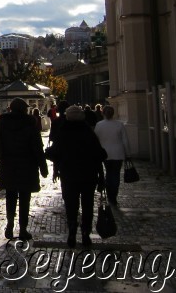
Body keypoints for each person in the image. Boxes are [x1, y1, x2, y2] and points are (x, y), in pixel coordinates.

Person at [46, 105, 107, 248]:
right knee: (87, 204)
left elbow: (54, 153)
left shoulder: (63, 132)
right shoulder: (88, 133)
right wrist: (101, 176)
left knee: (71, 204)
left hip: (69, 174)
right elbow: (100, 155)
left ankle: (72, 230)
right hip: (88, 174)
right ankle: (86, 233)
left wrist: (56, 165)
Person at [0, 97, 48, 241]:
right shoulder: (30, 124)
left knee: (10, 196)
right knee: (25, 198)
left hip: (9, 165)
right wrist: (43, 167)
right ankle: (23, 229)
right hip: (27, 165)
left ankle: (10, 224)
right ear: (24, 109)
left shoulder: (3, 123)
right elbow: (38, 147)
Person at [94, 105, 130, 206]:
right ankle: (113, 194)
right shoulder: (119, 124)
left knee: (109, 172)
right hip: (118, 153)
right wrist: (128, 153)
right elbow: (125, 140)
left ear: (103, 113)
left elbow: (96, 140)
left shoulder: (99, 125)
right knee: (116, 174)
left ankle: (110, 192)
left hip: (105, 153)